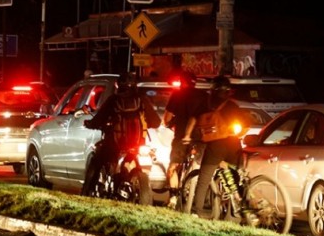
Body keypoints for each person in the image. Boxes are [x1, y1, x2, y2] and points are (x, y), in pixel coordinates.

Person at [82, 72, 161, 197]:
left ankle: (87, 192)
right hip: (138, 143)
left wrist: (89, 124)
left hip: (116, 143)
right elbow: (156, 122)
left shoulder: (114, 99)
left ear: (118, 85)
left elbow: (99, 119)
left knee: (96, 160)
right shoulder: (142, 100)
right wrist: (145, 124)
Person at [187, 75, 253, 218]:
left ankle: (196, 210)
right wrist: (239, 133)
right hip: (233, 145)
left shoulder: (206, 104)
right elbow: (246, 124)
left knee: (204, 179)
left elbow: (193, 119)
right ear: (228, 91)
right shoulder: (232, 106)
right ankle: (239, 211)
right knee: (235, 178)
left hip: (215, 146)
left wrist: (187, 136)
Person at [162, 68, 207, 209]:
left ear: (182, 82)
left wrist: (169, 124)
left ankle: (173, 197)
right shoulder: (204, 95)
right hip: (200, 138)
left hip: (182, 137)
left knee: (173, 167)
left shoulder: (177, 95)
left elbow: (167, 118)